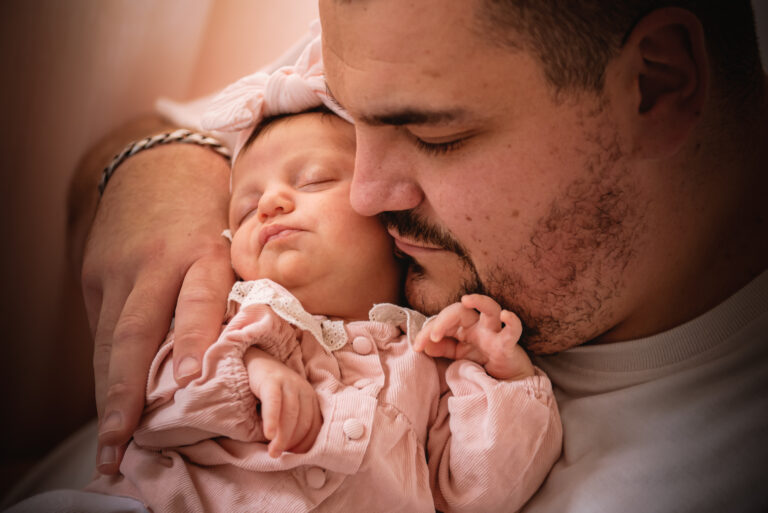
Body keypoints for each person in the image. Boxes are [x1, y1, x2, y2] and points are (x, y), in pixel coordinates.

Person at [71, 0, 767, 511]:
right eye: (350, 120)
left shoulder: (711, 473)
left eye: (434, 137)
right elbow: (111, 167)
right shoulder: (415, 45)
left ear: (657, 86)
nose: (363, 193)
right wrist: (158, 170)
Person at [9, 47, 561, 511]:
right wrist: (250, 373)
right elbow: (154, 401)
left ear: (389, 219)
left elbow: (481, 490)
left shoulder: (428, 360)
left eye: (315, 180)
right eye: (244, 209)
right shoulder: (236, 311)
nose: (270, 202)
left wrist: (503, 381)